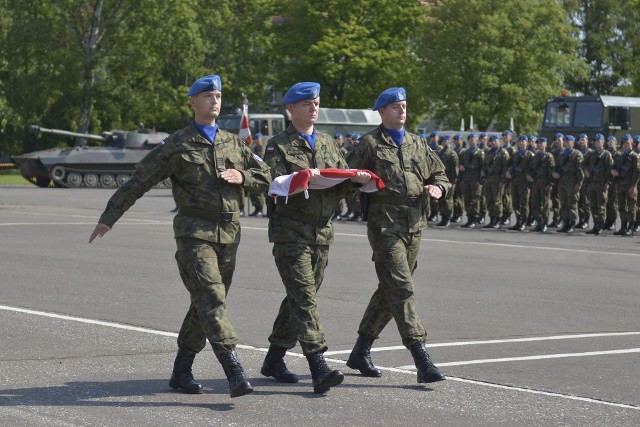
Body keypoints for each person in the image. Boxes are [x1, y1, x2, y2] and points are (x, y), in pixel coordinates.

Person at [88, 74, 272, 398]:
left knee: (206, 303)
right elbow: (139, 180)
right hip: (193, 234)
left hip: (229, 234)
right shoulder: (177, 144)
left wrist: (242, 175)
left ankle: (181, 369)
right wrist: (110, 215)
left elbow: (267, 175)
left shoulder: (234, 142)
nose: (214, 101)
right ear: (192, 102)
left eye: (217, 96)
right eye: (207, 96)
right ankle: (234, 370)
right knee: (212, 297)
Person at [261, 82, 371, 393]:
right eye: (307, 104)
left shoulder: (328, 143)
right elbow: (273, 184)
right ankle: (318, 365)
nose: (313, 108)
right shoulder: (278, 145)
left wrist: (356, 181)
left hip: (322, 233)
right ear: (290, 109)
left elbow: (340, 183)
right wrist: (302, 179)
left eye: (317, 103)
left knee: (299, 298)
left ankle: (274, 358)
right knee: (305, 297)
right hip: (290, 232)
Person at [345, 87, 450, 384]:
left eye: (404, 105)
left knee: (390, 288)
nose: (401, 110)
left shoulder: (418, 144)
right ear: (381, 111)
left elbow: (440, 174)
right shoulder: (369, 144)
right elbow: (343, 177)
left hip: (415, 226)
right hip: (384, 226)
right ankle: (421, 358)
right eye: (394, 106)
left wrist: (438, 188)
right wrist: (356, 180)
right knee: (402, 287)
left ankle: (360, 350)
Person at [552, 134, 584, 233]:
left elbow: (580, 170)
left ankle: (572, 224)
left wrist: (579, 183)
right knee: (564, 203)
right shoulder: (561, 154)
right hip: (562, 182)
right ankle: (565, 223)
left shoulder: (577, 154)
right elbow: (556, 166)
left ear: (573, 143)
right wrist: (554, 173)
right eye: (565, 141)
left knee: (572, 203)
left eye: (568, 141)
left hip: (572, 183)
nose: (565, 142)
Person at [584, 134, 613, 235]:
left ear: (603, 142)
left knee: (601, 205)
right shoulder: (591, 154)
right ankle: (595, 224)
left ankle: (601, 225)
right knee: (593, 205)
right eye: (595, 140)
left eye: (599, 140)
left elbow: (610, 170)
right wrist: (585, 170)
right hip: (592, 183)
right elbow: (584, 163)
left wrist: (608, 183)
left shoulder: (607, 155)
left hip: (602, 183)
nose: (597, 142)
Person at [611, 134, 640, 236]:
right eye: (625, 143)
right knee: (622, 206)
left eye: (629, 142)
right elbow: (613, 167)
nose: (627, 144)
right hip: (620, 184)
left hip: (630, 185)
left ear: (632, 142)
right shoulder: (620, 156)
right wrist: (613, 172)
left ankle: (630, 228)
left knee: (632, 206)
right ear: (623, 144)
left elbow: (637, 173)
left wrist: (633, 186)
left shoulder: (635, 156)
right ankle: (623, 227)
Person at [506, 135, 534, 231]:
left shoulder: (530, 154)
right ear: (518, 143)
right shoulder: (515, 154)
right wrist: (509, 172)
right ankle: (518, 220)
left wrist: (529, 178)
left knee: (524, 203)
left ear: (527, 143)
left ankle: (524, 222)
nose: (521, 143)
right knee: (515, 203)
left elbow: (533, 169)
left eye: (523, 141)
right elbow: (510, 165)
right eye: (520, 141)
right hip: (515, 181)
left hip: (525, 182)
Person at [481, 134, 509, 229]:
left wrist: (503, 181)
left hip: (497, 179)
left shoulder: (503, 152)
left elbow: (505, 168)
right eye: (492, 141)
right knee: (489, 200)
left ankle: (498, 219)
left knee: (497, 200)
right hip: (489, 178)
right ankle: (492, 219)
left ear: (499, 142)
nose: (493, 143)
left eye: (495, 141)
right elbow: (485, 164)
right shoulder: (488, 152)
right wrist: (483, 173)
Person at [526, 137, 555, 232]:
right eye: (538, 143)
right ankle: (539, 222)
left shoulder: (548, 156)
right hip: (535, 184)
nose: (539, 145)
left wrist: (550, 184)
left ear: (545, 144)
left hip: (544, 184)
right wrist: (529, 176)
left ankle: (545, 223)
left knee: (545, 204)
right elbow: (530, 168)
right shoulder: (535, 156)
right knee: (535, 204)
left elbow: (551, 171)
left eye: (542, 143)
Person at [458, 133, 485, 228]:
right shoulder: (466, 152)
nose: (471, 140)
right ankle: (469, 218)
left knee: (475, 200)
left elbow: (483, 168)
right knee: (467, 199)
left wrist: (480, 181)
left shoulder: (480, 153)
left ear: (476, 140)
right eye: (469, 139)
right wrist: (461, 178)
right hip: (466, 179)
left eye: (472, 139)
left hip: (475, 179)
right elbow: (461, 165)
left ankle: (474, 218)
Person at [435, 134, 459, 227]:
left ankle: (448, 217)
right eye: (444, 141)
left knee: (448, 200)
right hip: (440, 179)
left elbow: (455, 169)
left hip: (449, 180)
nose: (445, 143)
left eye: (447, 141)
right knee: (441, 199)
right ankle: (443, 217)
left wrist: (454, 182)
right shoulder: (440, 152)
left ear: (450, 142)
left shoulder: (452, 154)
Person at [249, 132, 267, 217]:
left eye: (257, 139)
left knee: (259, 193)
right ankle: (256, 208)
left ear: (261, 139)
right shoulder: (254, 149)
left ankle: (260, 208)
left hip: (260, 173)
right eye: (255, 139)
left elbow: (261, 161)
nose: (256, 141)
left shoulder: (262, 149)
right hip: (253, 172)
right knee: (253, 192)